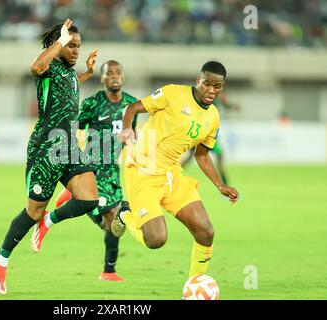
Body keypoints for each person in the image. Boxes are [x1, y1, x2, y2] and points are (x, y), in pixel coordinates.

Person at [0, 19, 100, 295]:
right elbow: (35, 67)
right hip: (46, 148)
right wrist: (59, 41)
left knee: (89, 199)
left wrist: (86, 72)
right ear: (58, 44)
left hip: (69, 146)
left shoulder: (69, 73)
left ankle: (48, 223)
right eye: (71, 45)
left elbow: (70, 84)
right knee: (32, 211)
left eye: (78, 46)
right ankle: (0, 258)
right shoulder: (47, 68)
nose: (75, 50)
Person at [112, 61, 240, 281]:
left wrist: (220, 185)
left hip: (172, 174)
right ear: (198, 80)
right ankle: (125, 213)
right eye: (207, 84)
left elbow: (201, 155)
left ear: (222, 87)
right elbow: (131, 108)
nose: (211, 90)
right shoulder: (173, 93)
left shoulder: (213, 117)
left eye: (217, 87)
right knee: (156, 240)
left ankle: (193, 289)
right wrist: (126, 129)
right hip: (144, 169)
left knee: (206, 232)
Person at [30, 60, 137, 282]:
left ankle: (109, 271)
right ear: (103, 78)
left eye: (119, 72)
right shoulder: (92, 103)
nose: (115, 76)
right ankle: (62, 210)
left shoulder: (131, 104)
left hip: (112, 169)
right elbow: (70, 126)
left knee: (114, 225)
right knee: (115, 216)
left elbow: (130, 131)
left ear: (123, 77)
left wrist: (133, 149)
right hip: (92, 167)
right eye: (110, 73)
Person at [180, 90, 241, 185]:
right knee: (218, 155)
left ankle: (173, 175)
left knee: (191, 156)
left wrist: (232, 107)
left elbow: (224, 104)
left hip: (204, 128)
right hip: (206, 129)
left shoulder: (215, 94)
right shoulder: (212, 94)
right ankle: (224, 183)